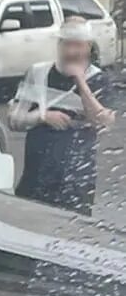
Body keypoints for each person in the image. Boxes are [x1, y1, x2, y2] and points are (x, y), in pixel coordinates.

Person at [8, 19, 115, 215]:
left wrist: (81, 82)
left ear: (88, 47)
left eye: (78, 45)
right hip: (36, 178)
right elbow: (14, 120)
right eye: (67, 44)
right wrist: (42, 116)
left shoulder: (98, 79)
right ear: (59, 45)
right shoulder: (38, 73)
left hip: (76, 182)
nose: (71, 51)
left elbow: (102, 122)